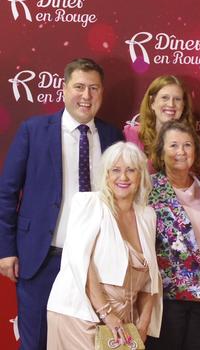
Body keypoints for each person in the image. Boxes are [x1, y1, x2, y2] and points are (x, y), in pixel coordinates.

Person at [0, 58, 123, 350]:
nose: (86, 95)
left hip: (96, 263)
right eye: (79, 86)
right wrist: (6, 251)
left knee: (88, 343)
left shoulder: (112, 136)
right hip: (43, 258)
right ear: (64, 89)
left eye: (94, 88)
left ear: (102, 93)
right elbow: (6, 192)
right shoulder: (34, 130)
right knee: (37, 342)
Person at [46, 141, 162, 349]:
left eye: (131, 170)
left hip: (123, 320)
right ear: (106, 175)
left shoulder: (147, 215)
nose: (123, 177)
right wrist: (107, 314)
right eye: (115, 170)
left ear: (141, 176)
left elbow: (151, 277)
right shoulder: (89, 203)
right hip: (80, 313)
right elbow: (81, 261)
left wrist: (143, 325)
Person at [146, 121, 200, 350]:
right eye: (173, 145)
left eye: (187, 145)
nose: (181, 152)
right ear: (160, 151)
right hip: (167, 300)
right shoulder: (148, 189)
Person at [124, 75, 200, 177]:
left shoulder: (198, 143)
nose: (171, 104)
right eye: (165, 98)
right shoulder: (132, 135)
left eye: (177, 99)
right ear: (152, 102)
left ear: (184, 105)